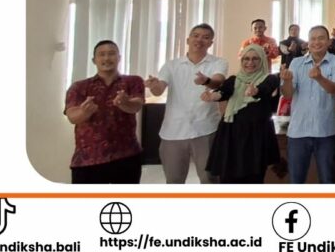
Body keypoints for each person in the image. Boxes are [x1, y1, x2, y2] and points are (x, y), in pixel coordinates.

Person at [144, 23, 228, 184]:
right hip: (174, 130)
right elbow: (159, 90)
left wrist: (206, 81)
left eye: (205, 37)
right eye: (196, 36)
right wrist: (154, 85)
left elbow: (217, 81)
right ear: (188, 40)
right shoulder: (171, 65)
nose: (199, 40)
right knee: (174, 180)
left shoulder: (218, 62)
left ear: (211, 43)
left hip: (206, 129)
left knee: (209, 179)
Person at [64, 40, 145, 183]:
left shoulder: (133, 81)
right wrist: (84, 112)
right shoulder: (79, 87)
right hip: (88, 160)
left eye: (111, 54)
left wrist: (125, 103)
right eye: (102, 54)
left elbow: (136, 106)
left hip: (126, 156)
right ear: (94, 60)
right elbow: (72, 117)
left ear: (119, 58)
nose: (107, 58)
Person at [203, 44, 280, 184]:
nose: (250, 62)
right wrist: (214, 96)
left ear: (262, 60)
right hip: (231, 134)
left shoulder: (270, 79)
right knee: (229, 176)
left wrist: (255, 91)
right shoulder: (233, 79)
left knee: (253, 177)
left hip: (257, 136)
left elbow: (265, 89)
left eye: (255, 59)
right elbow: (224, 91)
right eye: (246, 58)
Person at [281, 26, 335, 184]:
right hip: (298, 131)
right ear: (308, 42)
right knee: (296, 182)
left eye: (321, 38)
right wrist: (287, 81)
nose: (317, 42)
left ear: (329, 42)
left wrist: (319, 78)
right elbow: (288, 94)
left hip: (325, 131)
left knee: (328, 181)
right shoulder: (296, 63)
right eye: (313, 39)